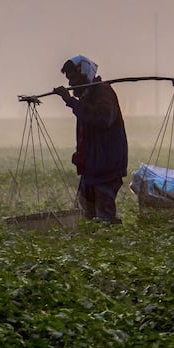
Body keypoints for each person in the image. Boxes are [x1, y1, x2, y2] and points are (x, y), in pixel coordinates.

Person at [51, 55, 128, 223]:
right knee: (84, 215)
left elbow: (101, 120)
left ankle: (110, 242)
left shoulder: (103, 92)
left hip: (106, 168)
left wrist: (70, 101)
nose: (70, 84)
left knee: (103, 217)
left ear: (85, 74)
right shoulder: (87, 97)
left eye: (73, 78)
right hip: (92, 169)